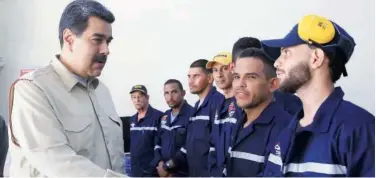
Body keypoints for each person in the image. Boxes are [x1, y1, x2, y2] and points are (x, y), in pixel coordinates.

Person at [8, 0, 125, 177]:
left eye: (108, 42)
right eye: (97, 40)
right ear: (69, 40)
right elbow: (59, 163)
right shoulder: (33, 90)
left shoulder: (102, 92)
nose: (106, 50)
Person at [261, 14, 375, 177]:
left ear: (316, 58)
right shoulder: (287, 131)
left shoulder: (359, 128)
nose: (276, 62)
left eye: (286, 52)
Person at [218, 47, 291, 177]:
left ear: (273, 84)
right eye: (236, 76)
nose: (240, 84)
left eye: (251, 77)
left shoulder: (285, 129)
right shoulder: (237, 123)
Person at [164, 59, 225, 177]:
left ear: (210, 78)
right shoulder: (197, 107)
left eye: (196, 76)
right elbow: (190, 144)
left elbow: (220, 147)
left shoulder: (218, 103)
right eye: (189, 77)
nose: (190, 81)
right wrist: (169, 165)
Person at [232, 37, 302, 115]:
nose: (241, 83)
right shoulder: (229, 106)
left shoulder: (291, 105)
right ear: (232, 67)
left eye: (251, 76)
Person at [206, 52, 239, 176]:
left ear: (233, 69)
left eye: (224, 69)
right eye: (215, 70)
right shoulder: (218, 104)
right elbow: (213, 143)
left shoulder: (242, 103)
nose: (219, 75)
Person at [154, 79, 194, 177]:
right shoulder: (164, 117)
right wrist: (160, 163)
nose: (170, 97)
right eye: (166, 93)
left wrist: (167, 167)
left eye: (174, 92)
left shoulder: (193, 115)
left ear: (183, 93)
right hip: (163, 173)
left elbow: (190, 146)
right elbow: (157, 143)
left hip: (183, 173)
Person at [129, 84, 164, 177]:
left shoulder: (159, 117)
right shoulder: (132, 119)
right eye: (134, 97)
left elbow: (162, 144)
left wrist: (154, 165)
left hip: (152, 171)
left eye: (140, 96)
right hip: (135, 171)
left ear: (147, 97)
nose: (137, 100)